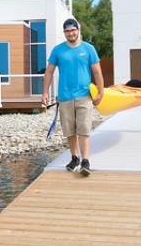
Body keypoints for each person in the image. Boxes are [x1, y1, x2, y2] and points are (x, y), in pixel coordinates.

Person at [41, 18, 104, 176]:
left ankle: (85, 161)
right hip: (64, 96)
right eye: (67, 31)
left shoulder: (88, 49)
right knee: (70, 131)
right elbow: (49, 72)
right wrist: (44, 93)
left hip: (84, 96)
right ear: (64, 33)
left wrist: (101, 92)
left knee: (83, 129)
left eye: (73, 30)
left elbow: (97, 72)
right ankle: (74, 157)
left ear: (78, 30)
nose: (71, 33)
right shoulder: (58, 50)